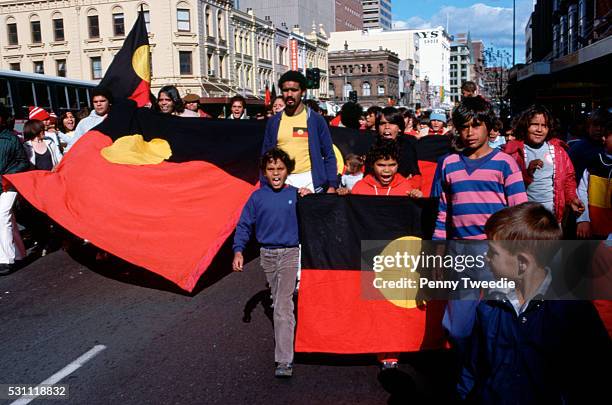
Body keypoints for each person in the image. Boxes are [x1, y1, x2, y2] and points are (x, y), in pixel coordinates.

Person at [459, 202, 611, 403]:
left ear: (522, 263)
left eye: (493, 252)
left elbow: (597, 376)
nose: (486, 258)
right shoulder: (489, 305)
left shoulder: (573, 311)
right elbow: (473, 370)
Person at [433, 96, 528, 349]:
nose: (469, 132)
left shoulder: (506, 163)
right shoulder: (449, 164)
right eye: (463, 126)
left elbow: (519, 213)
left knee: (500, 324)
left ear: (489, 127)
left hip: (496, 254)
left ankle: (484, 379)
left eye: (476, 125)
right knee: (458, 328)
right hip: (460, 253)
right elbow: (443, 211)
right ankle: (467, 371)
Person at [232, 148, 311, 378]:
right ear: (265, 173)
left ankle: (284, 360)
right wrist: (238, 251)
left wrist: (310, 197)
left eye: (280, 169)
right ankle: (288, 326)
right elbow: (244, 225)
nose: (275, 173)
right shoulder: (257, 197)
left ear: (288, 171)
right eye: (271, 169)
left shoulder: (296, 194)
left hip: (289, 254)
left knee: (283, 306)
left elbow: (318, 212)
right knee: (279, 301)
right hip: (267, 254)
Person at [503, 105, 583, 224]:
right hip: (524, 218)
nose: (539, 130)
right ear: (525, 126)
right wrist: (526, 173)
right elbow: (506, 186)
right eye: (535, 124)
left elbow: (568, 179)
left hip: (553, 217)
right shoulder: (513, 152)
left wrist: (571, 199)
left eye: (544, 126)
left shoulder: (558, 151)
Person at [261, 70, 337, 193]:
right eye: (286, 90)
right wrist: (264, 185)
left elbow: (329, 154)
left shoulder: (316, 120)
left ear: (303, 91)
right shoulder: (274, 121)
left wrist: (332, 184)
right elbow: (265, 155)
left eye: (294, 90)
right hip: (283, 181)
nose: (290, 94)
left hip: (311, 181)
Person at [0, 104, 30, 275]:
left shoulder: (11, 139)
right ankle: (19, 254)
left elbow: (23, 162)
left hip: (9, 184)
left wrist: (7, 175)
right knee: (8, 219)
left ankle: (6, 260)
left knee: (2, 215)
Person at [576, 120, 612, 239]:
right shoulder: (594, 163)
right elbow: (581, 191)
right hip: (594, 228)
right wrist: (583, 219)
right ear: (604, 138)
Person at [351, 140, 422, 198]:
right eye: (381, 165)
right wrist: (345, 196)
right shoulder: (360, 187)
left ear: (398, 165)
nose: (387, 170)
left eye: (392, 165)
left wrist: (418, 199)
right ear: (372, 165)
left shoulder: (406, 187)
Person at [375, 106, 420, 178]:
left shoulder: (408, 146)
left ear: (399, 128)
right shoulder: (372, 146)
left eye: (392, 123)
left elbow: (415, 175)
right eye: (383, 123)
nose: (387, 127)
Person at [66, 87, 112, 152]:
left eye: (102, 101)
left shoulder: (116, 119)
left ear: (109, 102)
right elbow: (74, 144)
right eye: (95, 102)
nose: (98, 104)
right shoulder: (84, 122)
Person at [569, 107, 608, 183]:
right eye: (595, 125)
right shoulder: (577, 148)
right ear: (588, 127)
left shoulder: (608, 148)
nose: (599, 129)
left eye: (602, 125)